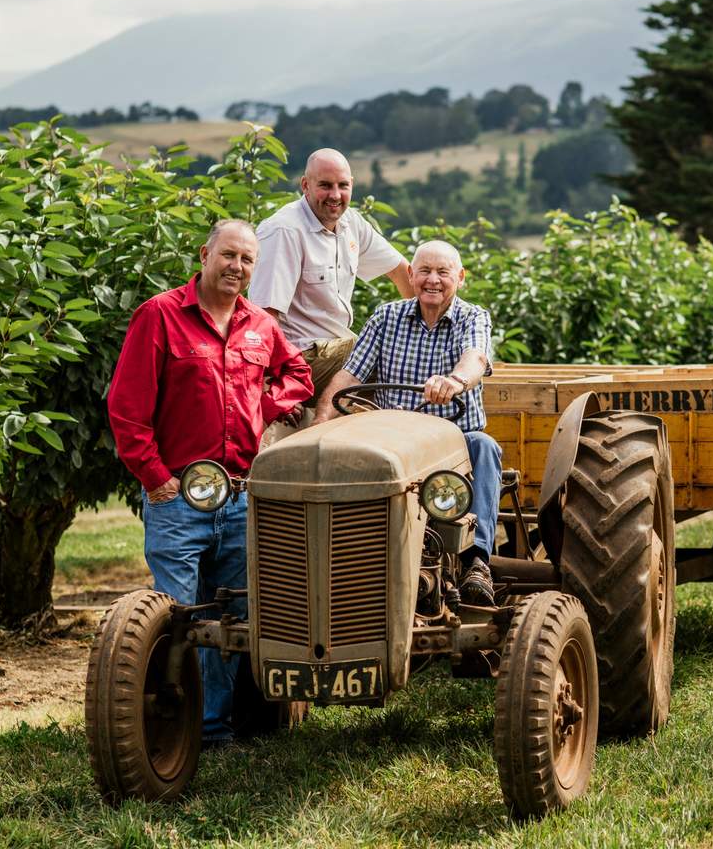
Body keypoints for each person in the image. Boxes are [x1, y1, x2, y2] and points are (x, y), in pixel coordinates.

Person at [107, 219, 312, 745]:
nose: (237, 268)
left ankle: (214, 731)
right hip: (179, 496)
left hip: (241, 497)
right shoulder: (160, 316)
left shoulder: (260, 325)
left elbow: (299, 377)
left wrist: (260, 409)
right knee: (175, 618)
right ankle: (166, 729)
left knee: (233, 620)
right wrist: (154, 477)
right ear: (205, 254)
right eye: (228, 256)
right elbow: (126, 409)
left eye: (247, 260)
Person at [313, 240, 500, 605]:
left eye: (443, 272)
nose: (433, 280)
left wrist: (455, 382)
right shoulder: (387, 317)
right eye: (425, 271)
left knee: (485, 446)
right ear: (410, 276)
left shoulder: (472, 317)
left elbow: (475, 357)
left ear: (459, 278)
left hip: (453, 442)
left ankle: (477, 561)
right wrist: (321, 419)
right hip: (392, 444)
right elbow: (351, 375)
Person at [249, 148, 414, 405]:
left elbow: (401, 271)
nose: (335, 195)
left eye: (342, 186)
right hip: (301, 359)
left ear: (352, 185)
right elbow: (263, 319)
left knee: (410, 349)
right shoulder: (284, 230)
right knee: (387, 351)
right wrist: (270, 389)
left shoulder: (351, 223)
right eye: (325, 186)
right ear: (305, 185)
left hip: (337, 349)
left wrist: (429, 329)